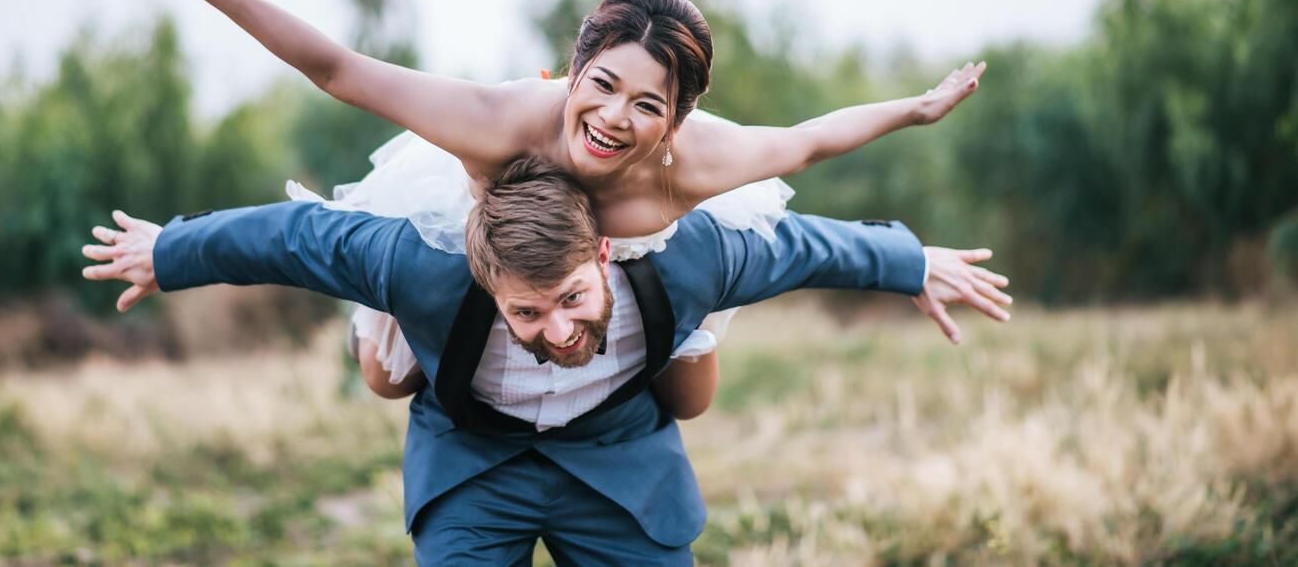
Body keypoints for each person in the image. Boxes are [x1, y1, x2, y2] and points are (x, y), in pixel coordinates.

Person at [161, 0, 999, 414]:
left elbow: (814, 139)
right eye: (599, 84)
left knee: (690, 399)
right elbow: (339, 69)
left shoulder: (698, 164)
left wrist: (914, 112)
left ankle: (648, 358)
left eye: (646, 105)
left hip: (621, 273)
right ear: (571, 68)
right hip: (499, 247)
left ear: (676, 120)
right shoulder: (499, 122)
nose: (610, 118)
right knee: (388, 380)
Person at [83, 157, 1010, 563]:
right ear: (487, 286)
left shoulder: (690, 254)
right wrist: (170, 254)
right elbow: (291, 238)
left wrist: (910, 262)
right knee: (385, 371)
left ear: (602, 255)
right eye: (528, 312)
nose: (559, 330)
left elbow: (801, 246)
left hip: (618, 464)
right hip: (472, 462)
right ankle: (388, 339)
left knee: (690, 390)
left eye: (571, 298)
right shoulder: (419, 261)